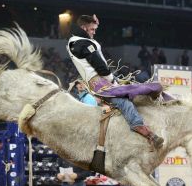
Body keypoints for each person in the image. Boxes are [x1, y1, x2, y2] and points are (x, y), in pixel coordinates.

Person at [66, 14, 164, 149]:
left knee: (135, 90)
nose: (94, 32)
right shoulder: (82, 43)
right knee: (124, 101)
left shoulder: (78, 41)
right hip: (99, 82)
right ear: (84, 28)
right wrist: (112, 79)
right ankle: (139, 127)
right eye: (92, 29)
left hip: (100, 80)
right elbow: (99, 64)